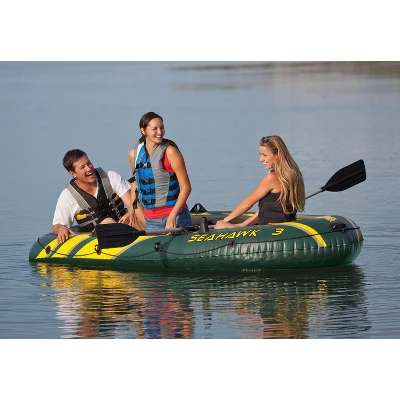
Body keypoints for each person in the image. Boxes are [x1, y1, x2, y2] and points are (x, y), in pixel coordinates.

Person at [52, 149, 145, 243]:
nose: (88, 168)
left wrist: (144, 222)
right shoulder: (68, 196)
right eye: (82, 167)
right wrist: (61, 228)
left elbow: (134, 204)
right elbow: (57, 225)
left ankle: (152, 235)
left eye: (89, 163)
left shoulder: (111, 177)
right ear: (73, 174)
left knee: (139, 211)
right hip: (96, 238)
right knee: (108, 221)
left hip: (126, 226)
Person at [214, 135, 305, 229]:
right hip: (285, 226)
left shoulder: (271, 178)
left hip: (268, 229)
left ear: (277, 155)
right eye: (260, 154)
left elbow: (247, 203)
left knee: (219, 225)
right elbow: (266, 210)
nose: (261, 159)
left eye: (265, 155)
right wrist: (242, 225)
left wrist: (225, 220)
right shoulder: (294, 175)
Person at [128, 111, 192, 230]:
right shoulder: (134, 154)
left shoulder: (171, 152)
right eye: (154, 129)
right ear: (143, 131)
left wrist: (173, 215)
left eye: (162, 128)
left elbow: (186, 187)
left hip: (176, 216)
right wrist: (132, 209)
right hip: (151, 220)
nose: (160, 132)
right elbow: (135, 182)